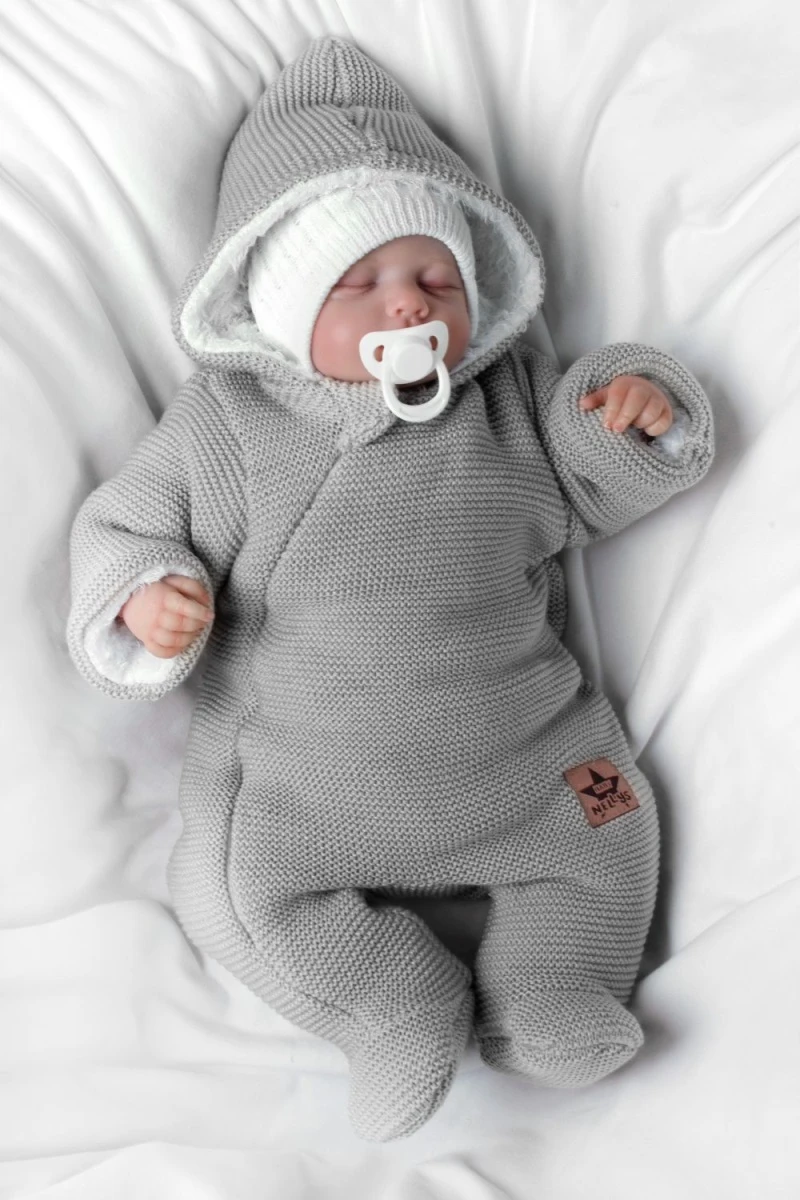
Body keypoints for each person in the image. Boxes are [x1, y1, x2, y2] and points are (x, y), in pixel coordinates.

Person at [67, 35, 714, 1142]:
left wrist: (630, 411)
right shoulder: (231, 426)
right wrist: (145, 597)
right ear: (276, 306)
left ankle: (554, 991)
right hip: (301, 798)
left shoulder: (507, 401)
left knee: (613, 819)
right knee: (231, 901)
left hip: (538, 762)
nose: (406, 308)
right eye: (357, 285)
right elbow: (125, 523)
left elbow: (586, 475)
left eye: (435, 280)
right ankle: (391, 1005)